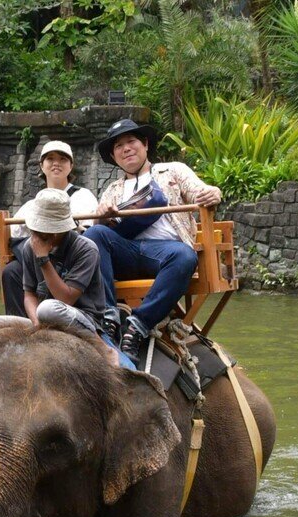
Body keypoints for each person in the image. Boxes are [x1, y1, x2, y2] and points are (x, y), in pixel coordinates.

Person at [82, 118, 222, 363]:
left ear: (145, 144)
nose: (126, 148)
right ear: (114, 156)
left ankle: (139, 324)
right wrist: (101, 217)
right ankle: (108, 314)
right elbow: (98, 234)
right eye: (118, 146)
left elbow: (202, 191)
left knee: (184, 256)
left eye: (131, 141)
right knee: (94, 234)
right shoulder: (112, 189)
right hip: (126, 252)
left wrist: (214, 192)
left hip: (165, 252)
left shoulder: (173, 171)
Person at [0, 189, 135, 370]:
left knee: (48, 308)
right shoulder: (29, 246)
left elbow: (66, 299)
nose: (36, 233)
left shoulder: (86, 249)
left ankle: (103, 348)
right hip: (43, 320)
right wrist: (37, 326)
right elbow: (29, 294)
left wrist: (43, 259)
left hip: (79, 318)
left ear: (58, 231)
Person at [0, 140, 98, 317]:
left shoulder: (83, 196)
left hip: (68, 259)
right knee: (11, 270)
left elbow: (87, 234)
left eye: (62, 159)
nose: (56, 163)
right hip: (36, 257)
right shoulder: (33, 204)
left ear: (71, 166)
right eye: (50, 159)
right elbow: (8, 242)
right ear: (41, 165)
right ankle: (19, 322)